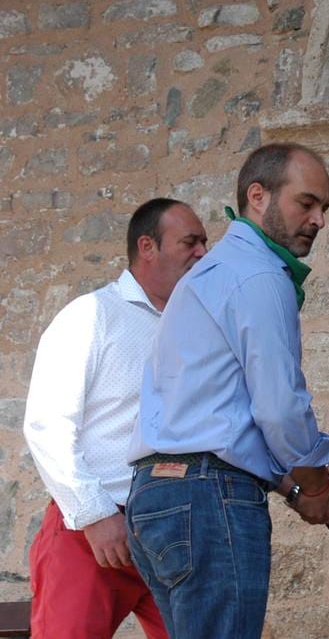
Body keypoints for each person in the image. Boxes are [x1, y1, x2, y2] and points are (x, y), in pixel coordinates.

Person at [126, 143, 329, 638]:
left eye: (324, 209)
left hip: (156, 490)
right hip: (207, 497)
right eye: (306, 203)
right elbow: (278, 407)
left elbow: (219, 413)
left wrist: (292, 483)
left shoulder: (209, 272)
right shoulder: (259, 275)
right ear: (258, 195)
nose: (318, 220)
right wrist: (314, 485)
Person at [23, 199, 208, 639]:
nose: (203, 252)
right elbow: (48, 423)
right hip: (91, 534)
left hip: (175, 529)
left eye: (204, 242)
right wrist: (94, 514)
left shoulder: (198, 328)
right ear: (148, 247)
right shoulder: (90, 316)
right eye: (190, 242)